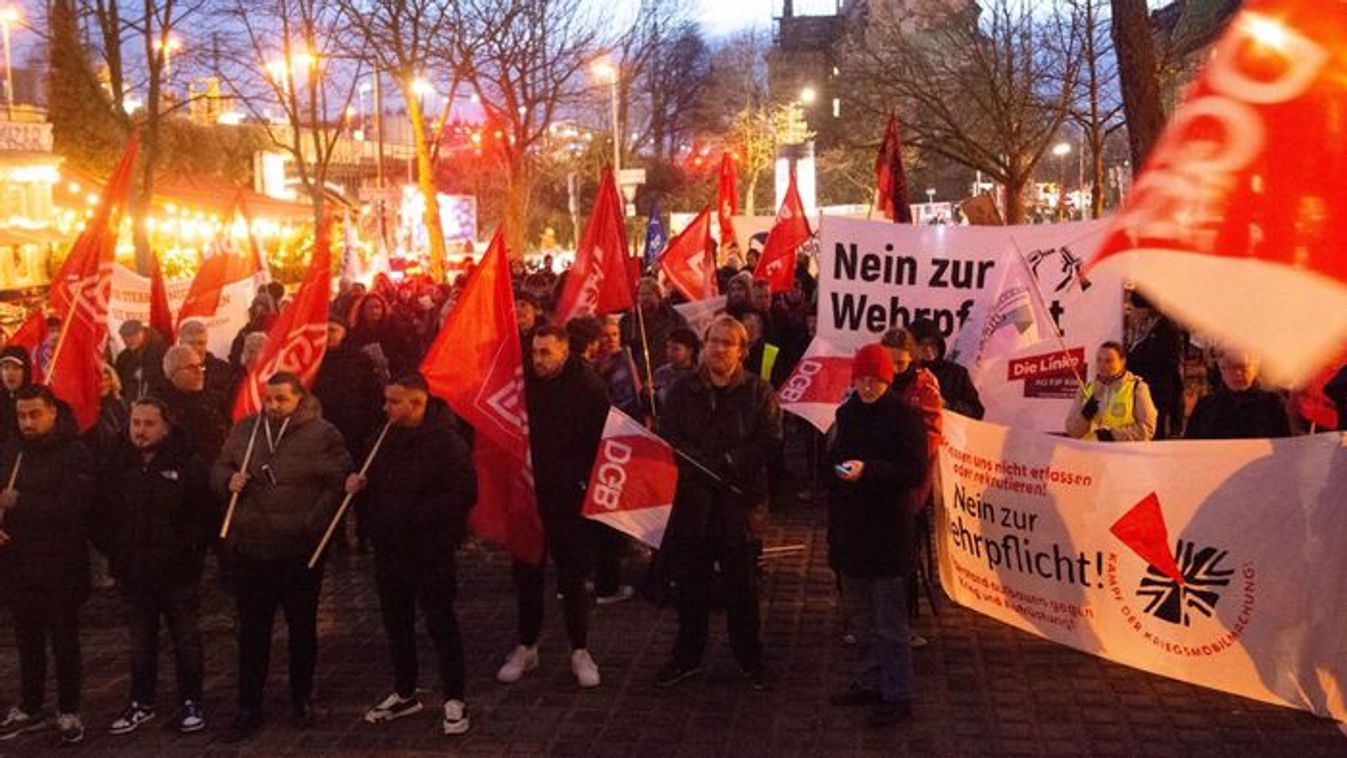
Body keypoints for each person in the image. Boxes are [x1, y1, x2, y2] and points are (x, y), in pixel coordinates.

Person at [211, 372, 352, 742]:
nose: (272, 406)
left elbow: (340, 483)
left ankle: (301, 696)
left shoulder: (322, 433)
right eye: (268, 398)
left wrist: (312, 522)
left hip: (298, 550)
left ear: (298, 399)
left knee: (301, 628)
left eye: (281, 399)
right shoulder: (246, 429)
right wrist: (227, 481)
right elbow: (220, 466)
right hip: (251, 547)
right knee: (252, 631)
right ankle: (249, 703)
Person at [656, 316, 783, 689]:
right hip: (693, 504)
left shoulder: (759, 392)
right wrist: (699, 463)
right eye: (713, 341)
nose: (719, 349)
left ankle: (749, 658)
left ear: (741, 351)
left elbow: (770, 440)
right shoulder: (683, 390)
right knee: (691, 586)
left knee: (742, 588)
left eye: (728, 343)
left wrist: (731, 462)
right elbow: (669, 435)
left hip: (738, 505)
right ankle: (687, 656)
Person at [347, 375, 476, 736]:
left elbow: (462, 493)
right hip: (389, 549)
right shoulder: (381, 437)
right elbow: (372, 483)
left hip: (429, 550)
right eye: (386, 400)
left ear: (417, 403)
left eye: (394, 401)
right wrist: (359, 487)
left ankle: (455, 697)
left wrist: (415, 517)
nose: (385, 407)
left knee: (440, 622)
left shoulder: (445, 442)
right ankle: (405, 692)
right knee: (396, 622)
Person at [497, 325, 609, 689]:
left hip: (568, 495)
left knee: (572, 576)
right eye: (534, 352)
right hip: (529, 490)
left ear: (564, 351)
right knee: (527, 571)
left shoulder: (588, 386)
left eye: (546, 352)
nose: (539, 360)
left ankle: (580, 649)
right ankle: (527, 645)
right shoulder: (522, 383)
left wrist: (581, 483)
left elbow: (601, 439)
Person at [95, 398, 214, 736]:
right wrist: (116, 552)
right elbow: (100, 512)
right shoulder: (117, 462)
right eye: (136, 423)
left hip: (177, 572)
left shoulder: (189, 463)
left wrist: (188, 551)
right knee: (140, 642)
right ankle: (141, 701)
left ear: (166, 426)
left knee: (185, 640)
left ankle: (191, 701)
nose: (140, 431)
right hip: (134, 571)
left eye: (149, 424)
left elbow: (204, 515)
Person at [827, 344, 929, 728]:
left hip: (888, 531)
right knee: (861, 619)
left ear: (888, 379)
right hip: (853, 529)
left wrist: (868, 470)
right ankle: (869, 681)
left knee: (890, 622)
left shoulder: (906, 417)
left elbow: (914, 471)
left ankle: (897, 693)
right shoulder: (847, 413)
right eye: (862, 379)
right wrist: (838, 469)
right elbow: (835, 457)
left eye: (875, 379)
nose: (868, 386)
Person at [0, 386, 97, 745]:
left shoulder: (74, 453)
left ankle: (69, 709)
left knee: (64, 640)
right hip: (19, 563)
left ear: (52, 412)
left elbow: (73, 507)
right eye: (22, 415)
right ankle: (30, 704)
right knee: (27, 640)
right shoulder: (12, 451)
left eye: (35, 414)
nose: (27, 422)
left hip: (60, 565)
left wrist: (21, 501)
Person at [1185, 351, 1292, 440]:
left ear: (1255, 367)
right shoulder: (1205, 407)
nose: (1238, 373)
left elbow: (1286, 447)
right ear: (1221, 369)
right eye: (1231, 367)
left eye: (1243, 367)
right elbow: (1189, 448)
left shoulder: (1272, 405)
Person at [1065, 342, 1158, 442]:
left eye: (1109, 361)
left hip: (1120, 450)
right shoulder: (1085, 389)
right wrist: (1085, 416)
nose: (1102, 365)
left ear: (1122, 361)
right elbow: (1072, 431)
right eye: (1099, 360)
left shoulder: (1137, 388)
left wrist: (1112, 435)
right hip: (1090, 450)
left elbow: (1148, 429)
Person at [1125, 293, 1185, 439]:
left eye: (1135, 309)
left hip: (1157, 391)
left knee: (1155, 431)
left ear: (1147, 309)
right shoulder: (1138, 328)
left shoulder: (1167, 329)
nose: (1132, 312)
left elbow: (1168, 364)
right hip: (1137, 389)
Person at [157, 345, 230, 463]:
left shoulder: (214, 398)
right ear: (172, 373)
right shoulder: (161, 408)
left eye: (200, 366)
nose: (199, 372)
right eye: (191, 368)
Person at [907, 318, 984, 419]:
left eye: (933, 343)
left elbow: (977, 411)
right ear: (911, 347)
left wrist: (946, 405)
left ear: (939, 344)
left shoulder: (957, 374)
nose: (928, 349)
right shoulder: (905, 373)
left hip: (949, 427)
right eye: (922, 344)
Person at [619, 277, 688, 380]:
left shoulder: (674, 318)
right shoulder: (628, 321)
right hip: (640, 376)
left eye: (649, 294)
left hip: (670, 375)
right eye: (641, 294)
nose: (645, 298)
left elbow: (685, 343)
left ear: (658, 296)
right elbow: (623, 349)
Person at [114, 320, 168, 401]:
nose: (128, 341)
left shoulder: (160, 351)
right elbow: (119, 382)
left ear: (141, 333)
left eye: (131, 337)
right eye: (124, 339)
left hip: (157, 401)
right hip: (131, 402)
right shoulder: (123, 358)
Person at [652, 328, 700, 409]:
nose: (669, 352)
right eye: (668, 347)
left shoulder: (697, 376)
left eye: (676, 349)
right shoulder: (660, 373)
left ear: (689, 351)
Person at [0, 345, 33, 439]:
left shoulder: (34, 399)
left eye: (16, 368)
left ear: (25, 372)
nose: (10, 373)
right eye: (6, 368)